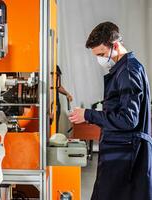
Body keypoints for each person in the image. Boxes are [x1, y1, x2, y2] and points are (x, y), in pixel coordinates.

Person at [68, 21, 152, 200]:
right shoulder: (123, 69)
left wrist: (88, 114)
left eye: (102, 54)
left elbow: (128, 119)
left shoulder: (128, 71)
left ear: (115, 45)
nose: (99, 59)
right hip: (120, 150)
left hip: (124, 154)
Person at [52, 65, 73, 132]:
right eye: (56, 77)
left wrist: (67, 94)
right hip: (50, 104)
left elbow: (58, 86)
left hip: (55, 103)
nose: (56, 78)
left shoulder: (55, 69)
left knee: (55, 125)